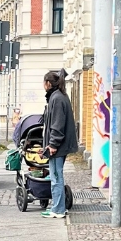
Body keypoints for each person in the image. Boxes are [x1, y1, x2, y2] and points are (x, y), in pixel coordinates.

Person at [41, 70, 78, 218]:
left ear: (48, 84)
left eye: (44, 82)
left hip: (58, 147)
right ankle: (59, 207)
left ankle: (58, 209)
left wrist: (53, 145)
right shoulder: (59, 96)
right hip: (59, 145)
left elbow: (57, 125)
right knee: (57, 176)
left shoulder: (56, 99)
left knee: (56, 177)